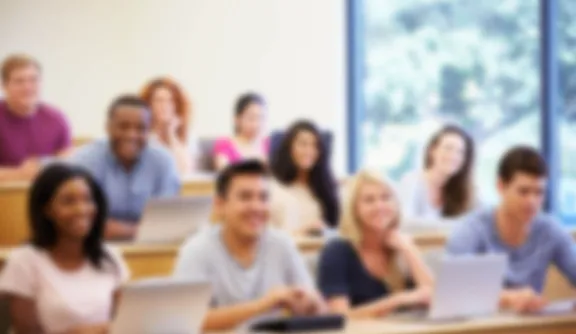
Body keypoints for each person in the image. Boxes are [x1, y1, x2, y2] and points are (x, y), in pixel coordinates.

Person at [173, 160, 324, 331]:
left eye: (263, 198)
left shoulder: (282, 244)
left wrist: (311, 304)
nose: (256, 207)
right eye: (245, 197)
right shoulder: (196, 251)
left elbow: (317, 312)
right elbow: (190, 321)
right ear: (220, 205)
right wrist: (263, 304)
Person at [0, 164, 129, 333]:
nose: (81, 209)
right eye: (68, 201)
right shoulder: (24, 261)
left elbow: (126, 321)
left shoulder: (109, 256)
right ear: (46, 209)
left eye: (88, 200)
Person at [446, 146, 576, 313]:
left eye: (539, 193)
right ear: (501, 186)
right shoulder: (471, 229)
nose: (532, 201)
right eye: (523, 192)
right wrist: (508, 298)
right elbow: (451, 290)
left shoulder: (550, 229)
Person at [318, 170, 434, 318]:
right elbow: (340, 317)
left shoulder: (403, 247)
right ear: (354, 209)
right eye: (369, 200)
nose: (380, 206)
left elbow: (434, 299)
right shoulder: (337, 251)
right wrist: (398, 300)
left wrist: (409, 250)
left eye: (386, 198)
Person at [69, 95, 181, 240]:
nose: (131, 135)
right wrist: (140, 231)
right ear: (108, 127)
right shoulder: (86, 160)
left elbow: (168, 220)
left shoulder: (163, 162)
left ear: (149, 130)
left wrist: (120, 229)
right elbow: (85, 223)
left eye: (140, 128)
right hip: (94, 247)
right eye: (123, 126)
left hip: (150, 248)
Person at [0, 54, 71, 181]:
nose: (27, 87)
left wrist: (43, 166)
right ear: (5, 86)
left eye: (33, 80)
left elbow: (67, 165)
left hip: (46, 195)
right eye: (19, 81)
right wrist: (19, 174)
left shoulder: (56, 119)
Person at [269, 120, 340, 235]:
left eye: (315, 146)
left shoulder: (326, 188)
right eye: (303, 144)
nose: (309, 151)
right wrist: (302, 232)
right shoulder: (273, 188)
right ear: (289, 148)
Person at [399, 125, 475, 221]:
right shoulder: (411, 182)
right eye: (448, 148)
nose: (453, 156)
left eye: (460, 152)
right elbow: (406, 224)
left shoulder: (465, 190)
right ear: (432, 151)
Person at [141, 77, 196, 175]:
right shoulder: (143, 136)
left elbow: (185, 172)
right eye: (159, 100)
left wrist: (171, 134)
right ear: (149, 104)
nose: (165, 105)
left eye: (170, 101)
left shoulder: (187, 136)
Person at [213, 93, 268, 170]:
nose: (257, 124)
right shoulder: (225, 144)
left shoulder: (269, 144)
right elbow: (224, 172)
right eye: (251, 118)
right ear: (237, 119)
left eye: (261, 118)